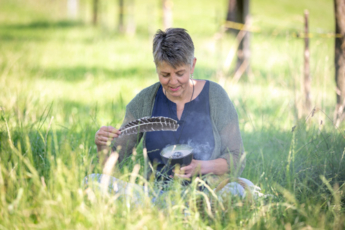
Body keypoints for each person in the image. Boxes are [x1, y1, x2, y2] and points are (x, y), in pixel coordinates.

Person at [92, 28, 257, 199]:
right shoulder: (144, 102)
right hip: (156, 196)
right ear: (157, 68)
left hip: (209, 194)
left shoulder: (215, 96)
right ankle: (175, 212)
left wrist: (200, 167)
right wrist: (101, 145)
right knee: (93, 181)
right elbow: (111, 168)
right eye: (165, 75)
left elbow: (237, 158)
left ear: (192, 65)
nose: (173, 82)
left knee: (243, 189)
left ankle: (196, 210)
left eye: (180, 74)